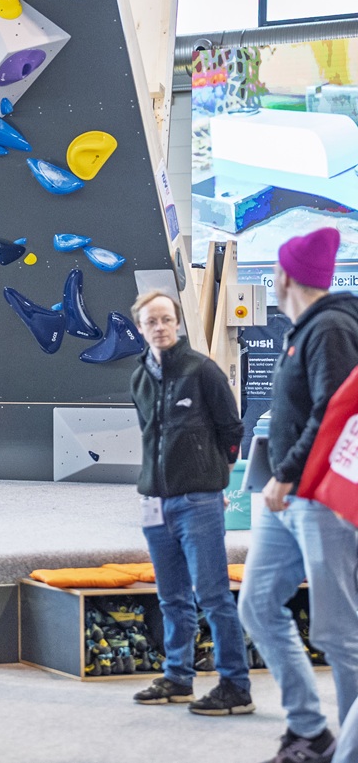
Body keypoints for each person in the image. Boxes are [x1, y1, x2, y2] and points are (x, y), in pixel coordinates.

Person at [238, 227, 358, 763]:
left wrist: (286, 473)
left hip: (318, 499)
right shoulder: (305, 330)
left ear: (284, 276)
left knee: (341, 635)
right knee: (258, 604)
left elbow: (333, 412)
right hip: (285, 498)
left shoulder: (331, 328)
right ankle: (311, 730)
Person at [128, 291, 252, 714]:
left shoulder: (202, 370)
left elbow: (231, 428)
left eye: (166, 319)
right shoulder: (139, 378)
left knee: (214, 596)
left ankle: (235, 685)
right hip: (154, 502)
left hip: (198, 501)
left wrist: (211, 475)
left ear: (177, 323)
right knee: (171, 597)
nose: (160, 327)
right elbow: (150, 436)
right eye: (151, 321)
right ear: (140, 328)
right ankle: (177, 677)